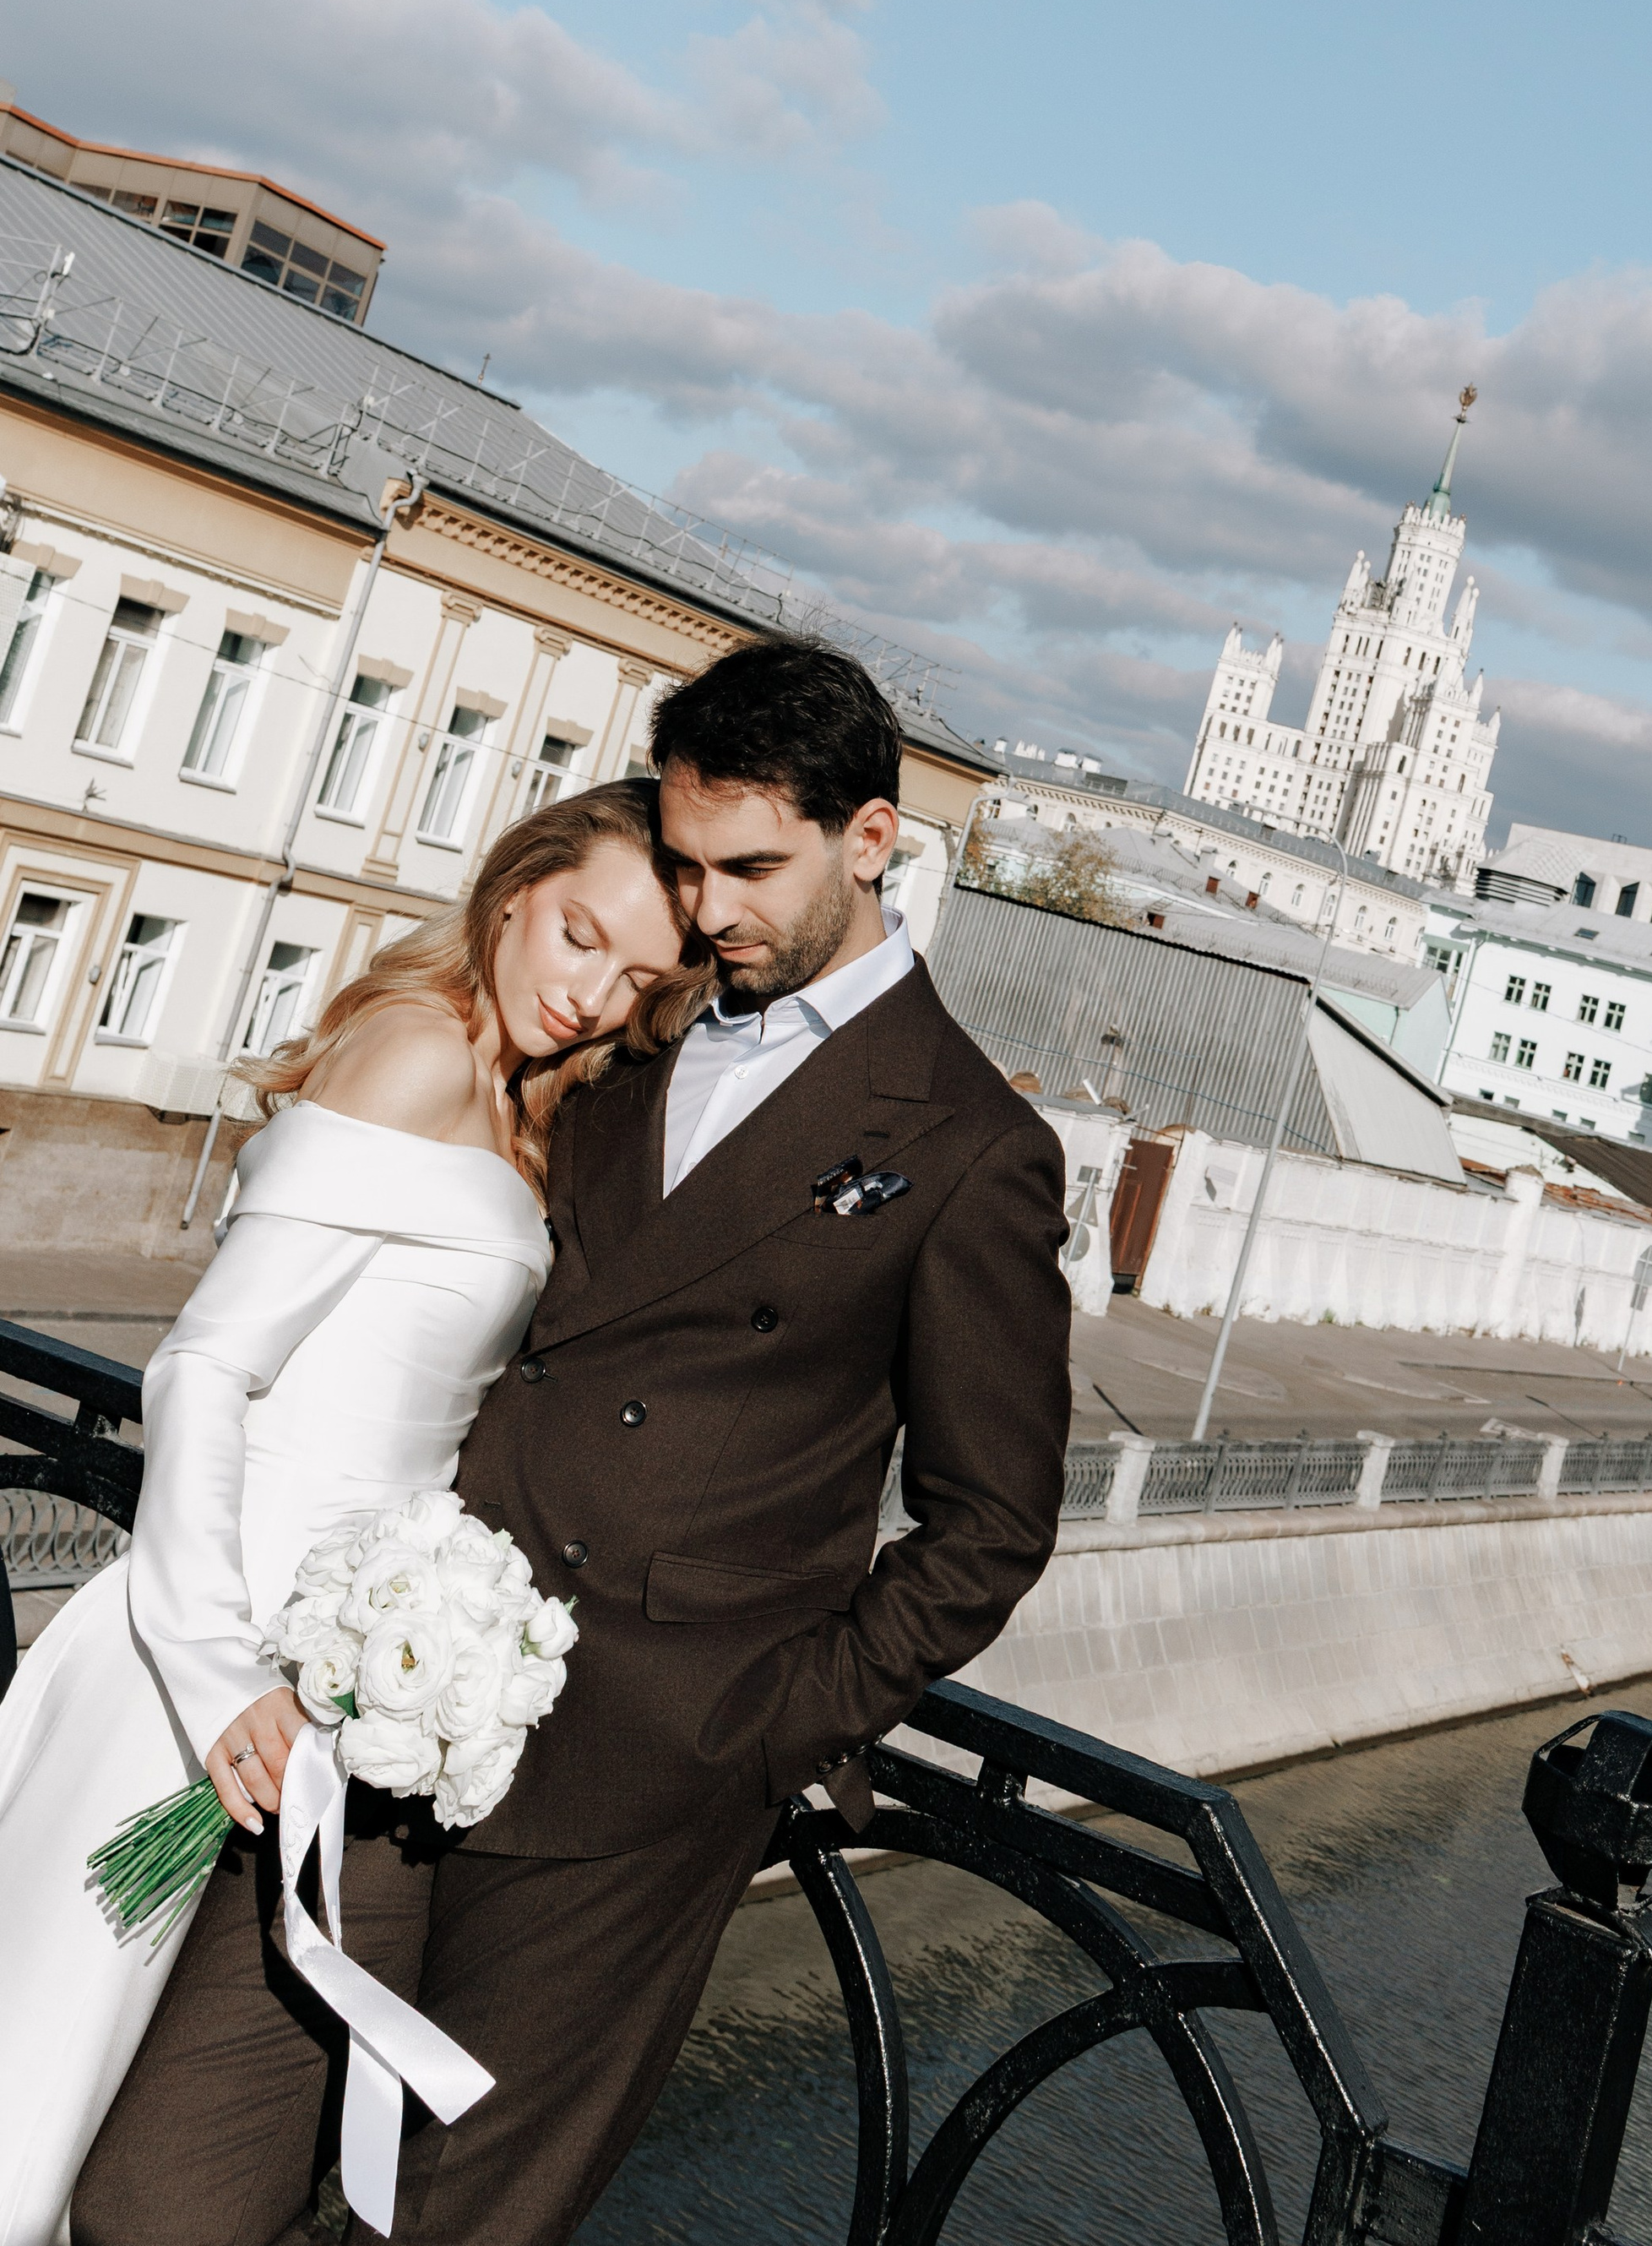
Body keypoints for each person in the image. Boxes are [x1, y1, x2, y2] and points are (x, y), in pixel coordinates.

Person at [79, 637, 1074, 2246]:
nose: (709, 908)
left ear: (872, 840)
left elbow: (991, 1522)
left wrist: (764, 1727)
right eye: (686, 865)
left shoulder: (970, 1146)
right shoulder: (643, 1021)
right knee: (170, 2185)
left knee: (444, 2222)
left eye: (751, 868)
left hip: (643, 1766)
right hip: (391, 1697)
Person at [0, 781, 687, 2246]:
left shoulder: (516, 1090)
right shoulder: (418, 1054)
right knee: (39, 2071)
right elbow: (204, 1365)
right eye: (578, 937)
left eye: (634, 979)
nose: (590, 995)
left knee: (127, 2101)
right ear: (515, 888)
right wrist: (210, 1663)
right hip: (212, 1653)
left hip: (324, 1664)